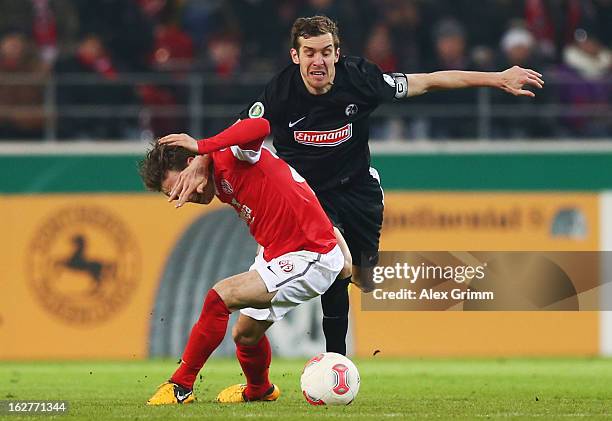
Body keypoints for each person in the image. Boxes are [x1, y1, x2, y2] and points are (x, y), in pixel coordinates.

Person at [167, 15, 545, 356]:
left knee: (365, 280)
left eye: (326, 52)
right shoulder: (279, 92)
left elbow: (427, 82)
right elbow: (234, 134)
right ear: (295, 56)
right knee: (338, 265)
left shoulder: (361, 78)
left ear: (337, 53)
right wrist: (201, 160)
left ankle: (345, 308)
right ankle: (336, 363)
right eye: (310, 52)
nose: (319, 61)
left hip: (358, 190)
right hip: (306, 196)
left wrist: (497, 78)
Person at [141, 117, 351, 404]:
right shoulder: (215, 173)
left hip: (310, 253)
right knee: (246, 334)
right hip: (275, 252)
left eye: (182, 185)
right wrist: (204, 157)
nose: (186, 195)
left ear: (191, 164)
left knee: (220, 296)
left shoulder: (235, 154)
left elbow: (261, 125)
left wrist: (204, 147)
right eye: (175, 194)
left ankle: (180, 385)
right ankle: (260, 391)